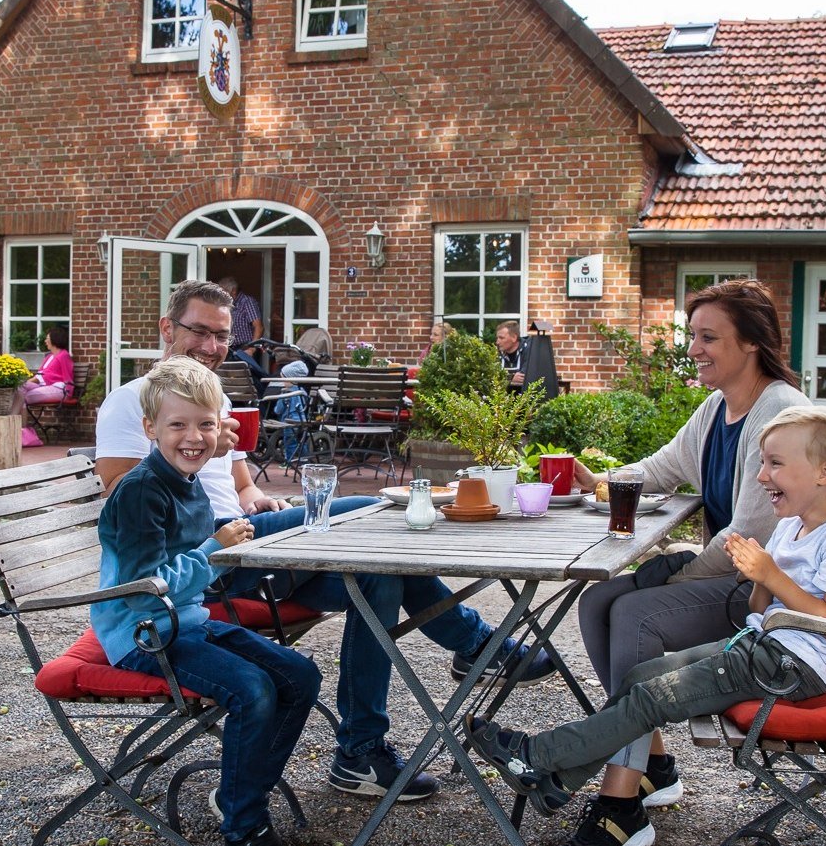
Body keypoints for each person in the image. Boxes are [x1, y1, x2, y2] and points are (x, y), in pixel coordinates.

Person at [95, 280, 554, 801]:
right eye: (198, 331)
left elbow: (242, 488)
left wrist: (263, 503)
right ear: (166, 329)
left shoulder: (213, 398)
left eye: (221, 336)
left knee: (376, 574)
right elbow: (125, 498)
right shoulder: (131, 403)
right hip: (212, 560)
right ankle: (476, 643)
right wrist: (204, 479)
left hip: (248, 541)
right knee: (370, 510)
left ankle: (361, 753)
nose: (210, 346)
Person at [468, 406, 826, 846]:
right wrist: (760, 578)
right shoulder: (791, 525)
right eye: (762, 463)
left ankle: (537, 756)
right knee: (641, 676)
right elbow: (758, 611)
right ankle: (557, 780)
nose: (762, 475)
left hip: (796, 667)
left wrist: (770, 574)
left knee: (651, 698)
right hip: (766, 647)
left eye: (775, 464)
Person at [557, 279, 811, 846]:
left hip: (776, 598)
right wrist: (598, 481)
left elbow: (749, 535)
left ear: (751, 343)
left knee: (638, 615)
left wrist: (673, 577)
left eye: (708, 337)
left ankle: (621, 804)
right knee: (599, 600)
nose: (693, 348)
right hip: (738, 579)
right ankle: (656, 765)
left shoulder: (779, 412)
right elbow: (663, 467)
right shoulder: (719, 406)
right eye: (691, 335)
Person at [95, 356, 319, 846]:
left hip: (184, 620)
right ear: (150, 429)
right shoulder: (141, 490)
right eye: (178, 425)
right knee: (253, 690)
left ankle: (239, 790)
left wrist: (233, 546)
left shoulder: (186, 477)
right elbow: (141, 585)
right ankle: (243, 841)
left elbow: (194, 561)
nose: (193, 437)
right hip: (142, 633)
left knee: (300, 676)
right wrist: (213, 552)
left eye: (205, 424)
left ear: (221, 429)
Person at [13, 324, 74, 416]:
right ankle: (20, 426)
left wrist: (68, 392)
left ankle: (16, 421)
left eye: (47, 338)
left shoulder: (64, 355)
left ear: (55, 339)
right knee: (18, 387)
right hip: (43, 386)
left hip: (59, 389)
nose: (45, 341)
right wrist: (27, 383)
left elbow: (67, 376)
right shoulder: (49, 357)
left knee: (21, 396)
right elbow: (40, 375)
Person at [495, 320, 526, 388]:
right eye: (497, 338)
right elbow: (491, 377)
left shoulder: (528, 351)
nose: (497, 342)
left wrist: (503, 379)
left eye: (501, 338)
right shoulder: (495, 353)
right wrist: (511, 378)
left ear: (514, 338)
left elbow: (523, 378)